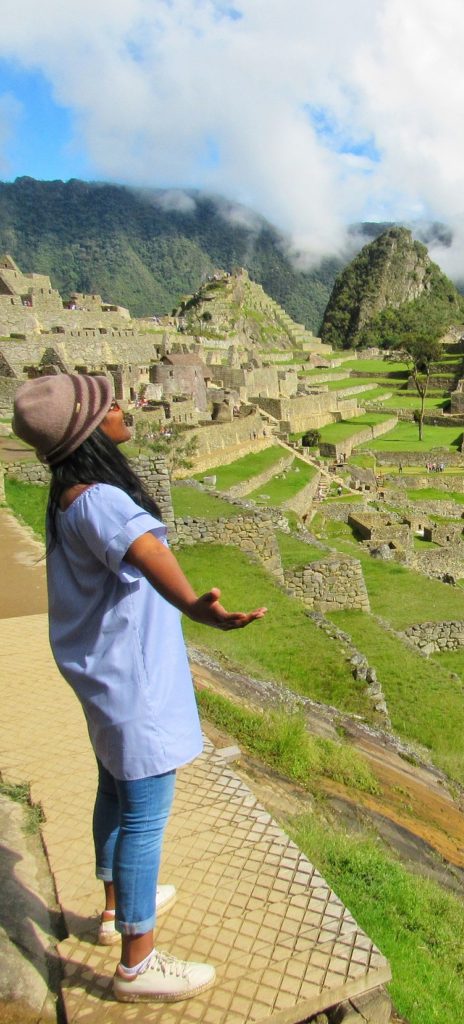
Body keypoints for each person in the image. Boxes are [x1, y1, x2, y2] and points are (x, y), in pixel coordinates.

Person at [12, 374, 266, 1004]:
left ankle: (113, 908)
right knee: (146, 815)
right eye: (109, 406)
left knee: (114, 790)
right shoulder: (100, 500)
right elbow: (146, 547)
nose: (123, 409)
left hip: (104, 677)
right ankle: (136, 961)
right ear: (89, 430)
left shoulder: (66, 494)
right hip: (134, 683)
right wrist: (194, 605)